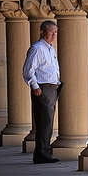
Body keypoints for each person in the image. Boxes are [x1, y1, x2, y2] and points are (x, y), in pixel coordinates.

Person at [22, 20, 62, 164]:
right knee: (44, 122)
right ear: (42, 32)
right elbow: (28, 70)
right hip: (43, 88)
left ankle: (43, 153)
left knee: (48, 122)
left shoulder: (50, 48)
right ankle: (42, 154)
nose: (54, 35)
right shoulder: (38, 48)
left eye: (56, 32)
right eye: (51, 31)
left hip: (52, 88)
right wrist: (35, 86)